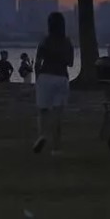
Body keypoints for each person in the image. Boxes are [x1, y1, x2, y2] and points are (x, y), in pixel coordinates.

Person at [33, 11, 75, 155]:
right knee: (57, 113)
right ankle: (56, 148)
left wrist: (38, 77)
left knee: (42, 110)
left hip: (45, 76)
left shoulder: (44, 41)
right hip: (62, 77)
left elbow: (37, 62)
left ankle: (42, 135)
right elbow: (70, 63)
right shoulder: (67, 42)